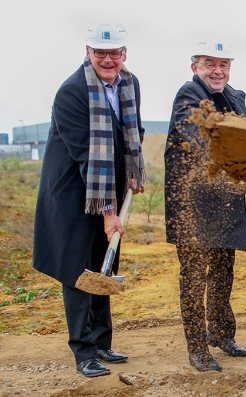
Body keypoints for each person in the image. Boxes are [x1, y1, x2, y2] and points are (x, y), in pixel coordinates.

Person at [33, 24, 145, 377]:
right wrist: (108, 212)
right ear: (87, 53)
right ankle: (83, 352)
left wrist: (133, 173)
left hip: (108, 187)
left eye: (114, 53)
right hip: (72, 193)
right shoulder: (71, 92)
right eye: (100, 53)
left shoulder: (130, 83)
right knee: (79, 271)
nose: (108, 59)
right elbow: (85, 154)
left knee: (104, 266)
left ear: (124, 55)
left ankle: (102, 342)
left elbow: (132, 131)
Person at [164, 41, 246, 372]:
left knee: (223, 270)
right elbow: (198, 137)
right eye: (209, 64)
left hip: (225, 201)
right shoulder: (188, 94)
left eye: (223, 65)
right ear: (195, 67)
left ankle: (222, 333)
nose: (217, 71)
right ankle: (197, 348)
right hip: (193, 204)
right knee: (194, 277)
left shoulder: (236, 96)